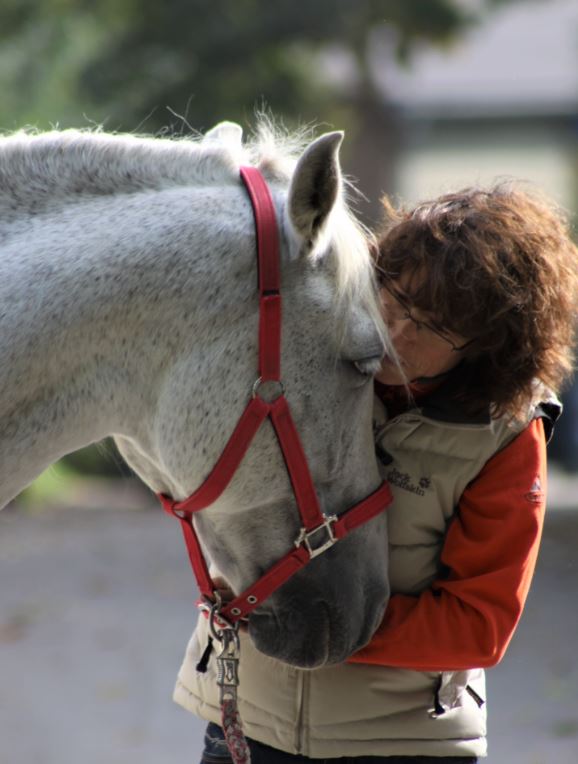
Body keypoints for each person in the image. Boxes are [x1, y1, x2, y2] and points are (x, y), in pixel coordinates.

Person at [177, 182, 578, 763]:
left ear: (487, 347)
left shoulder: (506, 434)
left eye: (433, 327)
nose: (395, 333)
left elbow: (477, 625)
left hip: (402, 740)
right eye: (393, 297)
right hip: (243, 718)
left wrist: (312, 622)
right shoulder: (300, 356)